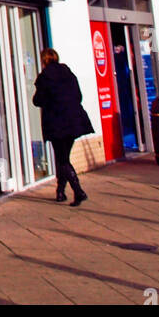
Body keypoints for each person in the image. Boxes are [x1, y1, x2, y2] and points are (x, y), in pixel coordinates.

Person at [32, 47, 97, 206]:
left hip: (57, 123)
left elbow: (37, 100)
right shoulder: (68, 74)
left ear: (44, 60)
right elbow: (79, 96)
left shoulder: (44, 77)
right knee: (63, 158)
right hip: (74, 121)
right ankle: (60, 192)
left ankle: (78, 191)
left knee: (62, 159)